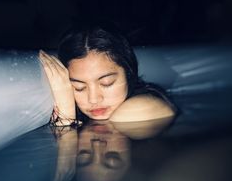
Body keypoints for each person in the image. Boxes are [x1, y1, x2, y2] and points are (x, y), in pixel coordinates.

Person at [39, 22, 176, 126]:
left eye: (107, 83)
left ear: (128, 73)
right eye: (79, 87)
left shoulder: (142, 106)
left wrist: (66, 118)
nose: (93, 99)